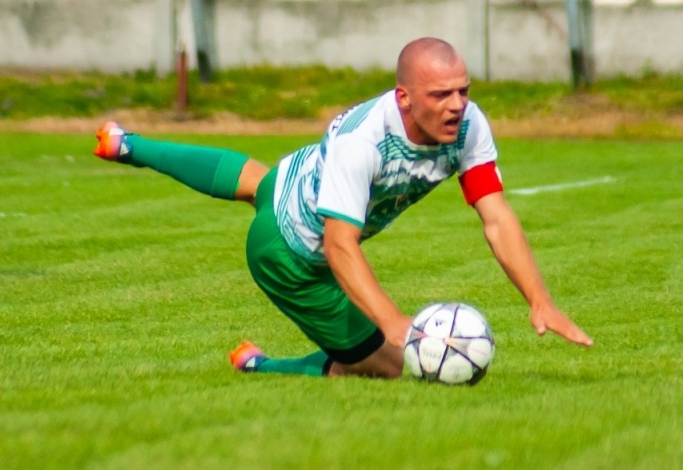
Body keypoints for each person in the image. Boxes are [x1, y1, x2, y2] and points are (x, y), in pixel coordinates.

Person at [93, 37, 592, 378]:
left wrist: (539, 298)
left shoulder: (468, 126)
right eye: (441, 94)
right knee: (395, 369)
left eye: (463, 90)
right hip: (289, 255)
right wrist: (393, 322)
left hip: (291, 178)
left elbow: (497, 216)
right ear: (403, 98)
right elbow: (337, 245)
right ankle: (261, 367)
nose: (457, 104)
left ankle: (128, 145)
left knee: (255, 182)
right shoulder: (363, 142)